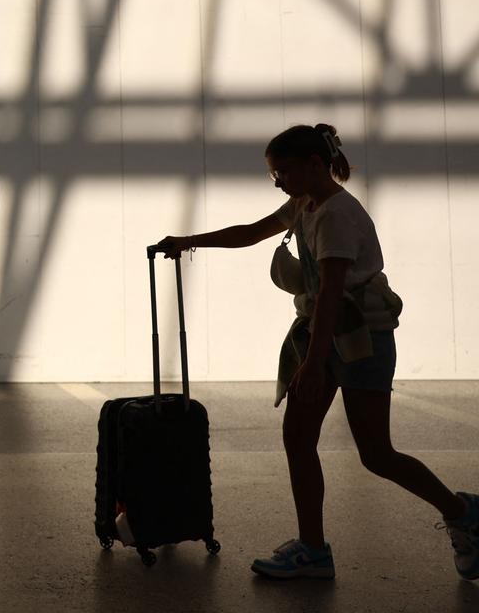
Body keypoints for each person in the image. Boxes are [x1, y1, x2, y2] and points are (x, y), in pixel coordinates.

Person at [156, 123, 479, 581]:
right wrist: (189, 241)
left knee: (376, 453)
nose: (277, 181)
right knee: (298, 436)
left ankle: (462, 511)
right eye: (274, 174)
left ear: (313, 165)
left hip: (361, 339)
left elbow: (330, 294)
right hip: (324, 335)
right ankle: (312, 549)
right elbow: (252, 231)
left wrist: (312, 363)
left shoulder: (336, 214)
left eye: (282, 171)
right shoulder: (304, 204)